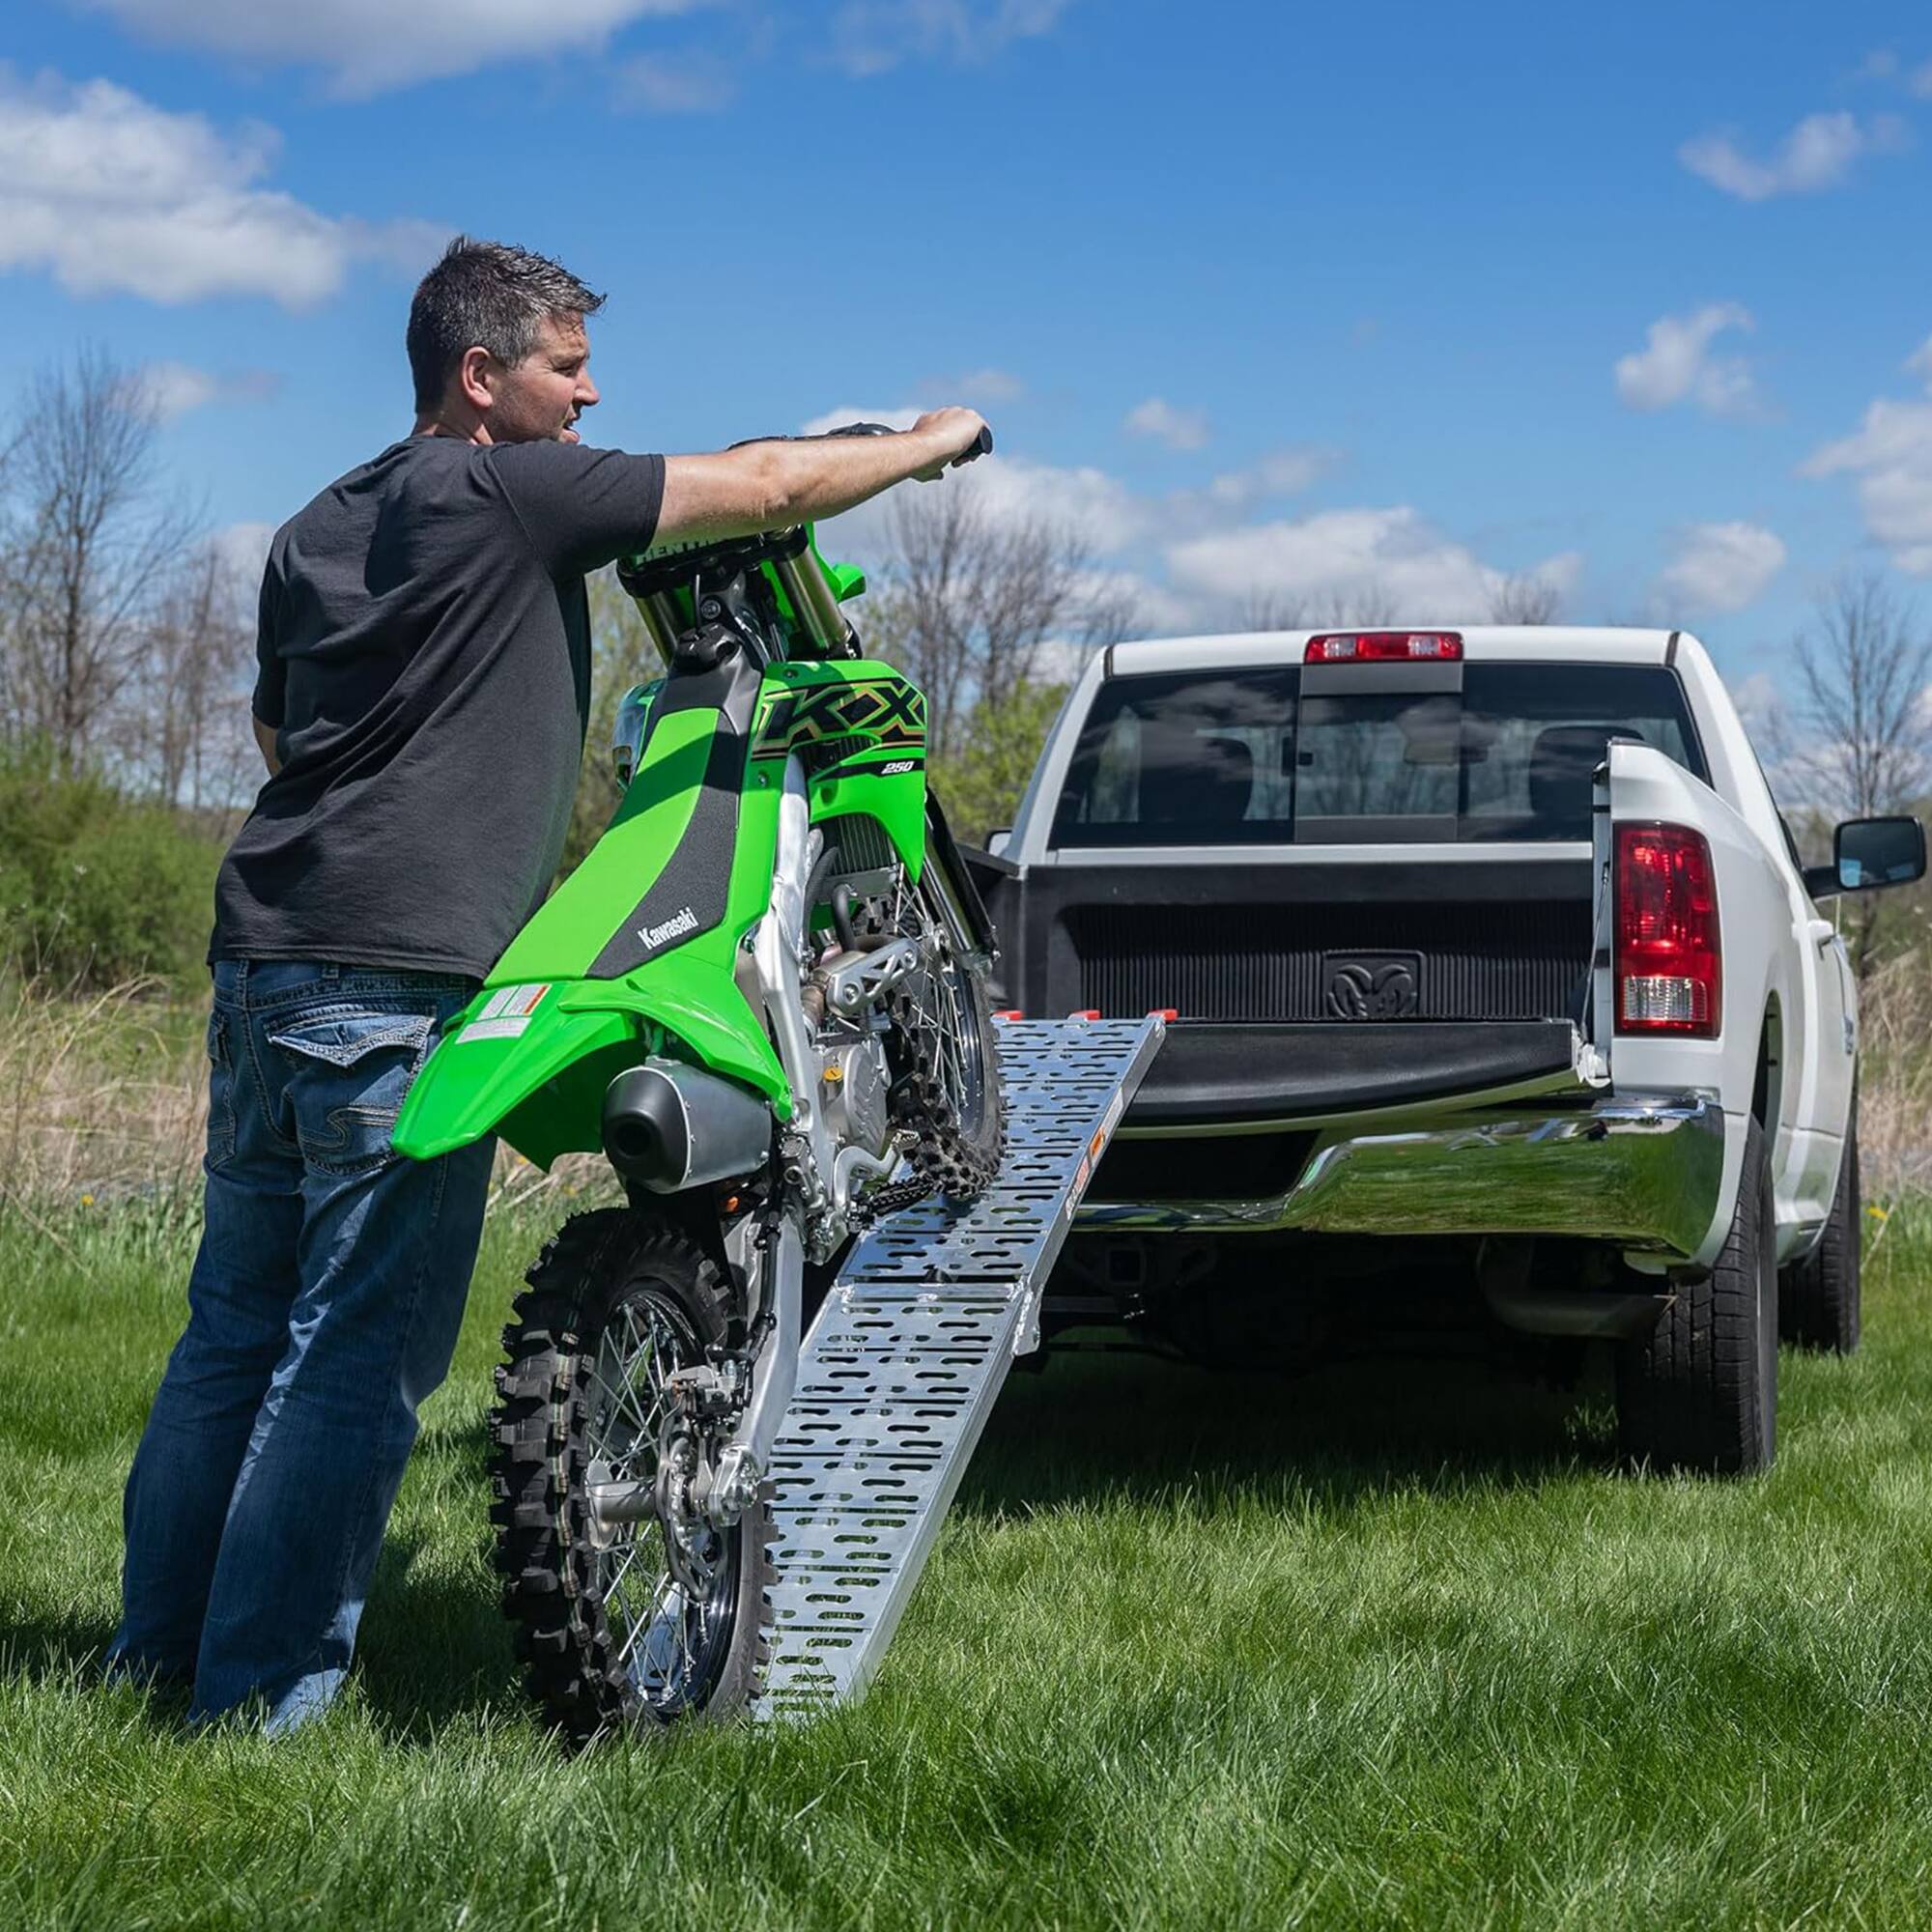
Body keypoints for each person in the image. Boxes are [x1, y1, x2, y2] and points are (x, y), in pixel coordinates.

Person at [105, 236, 990, 1734]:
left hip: (265, 960)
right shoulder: (512, 494)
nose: (589, 398)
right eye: (565, 370)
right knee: (353, 1361)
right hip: (397, 986)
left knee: (233, 1333)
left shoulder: (316, 525)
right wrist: (925, 443)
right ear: (480, 376)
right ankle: (257, 1707)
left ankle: (151, 1665)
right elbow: (764, 488)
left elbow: (277, 735)